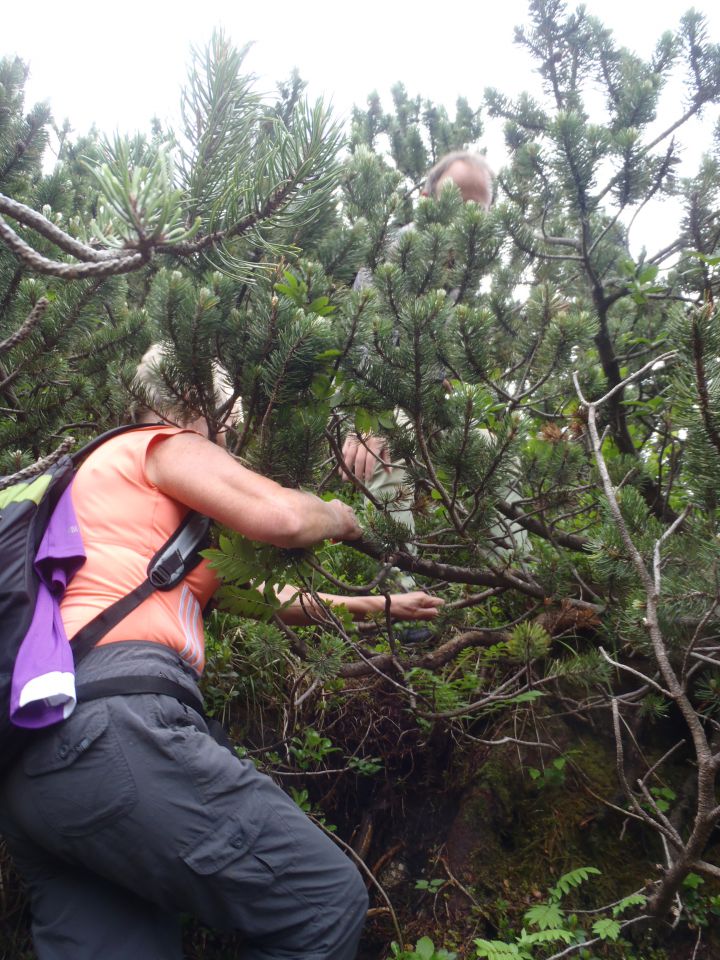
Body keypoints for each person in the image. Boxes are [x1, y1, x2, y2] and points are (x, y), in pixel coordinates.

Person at [0, 346, 443, 960]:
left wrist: (380, 606)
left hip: (38, 777)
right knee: (321, 903)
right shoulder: (161, 445)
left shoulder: (121, 516)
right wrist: (340, 515)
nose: (232, 435)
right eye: (227, 419)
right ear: (193, 402)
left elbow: (265, 598)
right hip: (116, 732)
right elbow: (283, 517)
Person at [341, 151, 525, 561]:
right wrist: (363, 422)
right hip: (369, 400)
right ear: (426, 199)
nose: (465, 216)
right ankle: (400, 598)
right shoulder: (395, 250)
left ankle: (518, 576)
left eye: (477, 208)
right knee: (390, 447)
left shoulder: (464, 276)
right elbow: (360, 344)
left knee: (494, 448)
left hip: (426, 405)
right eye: (453, 200)